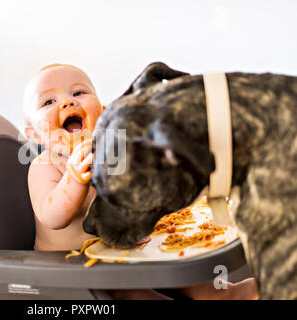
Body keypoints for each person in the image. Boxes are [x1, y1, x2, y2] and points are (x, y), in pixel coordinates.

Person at [23, 63, 258, 300]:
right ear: (33, 134)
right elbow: (52, 217)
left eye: (78, 93)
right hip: (70, 264)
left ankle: (225, 294)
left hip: (116, 252)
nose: (68, 102)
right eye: (48, 102)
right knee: (132, 292)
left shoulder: (109, 154)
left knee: (177, 262)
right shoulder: (44, 166)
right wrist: (74, 179)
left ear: (103, 113)